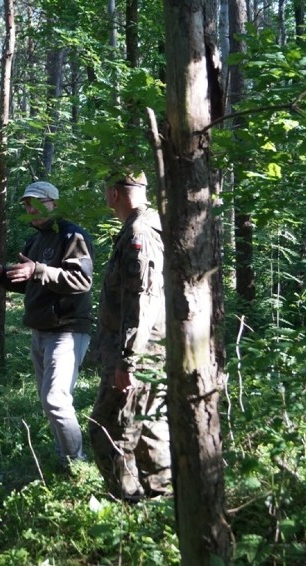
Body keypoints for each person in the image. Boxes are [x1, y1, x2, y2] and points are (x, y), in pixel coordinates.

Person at [0, 181, 94, 470]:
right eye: (28, 204)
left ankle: (78, 465)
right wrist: (2, 275)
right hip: (41, 329)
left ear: (55, 203)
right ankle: (65, 457)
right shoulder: (36, 240)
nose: (32, 208)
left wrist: (38, 269)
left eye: (38, 202)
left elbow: (81, 281)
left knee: (55, 399)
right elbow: (31, 284)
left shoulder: (72, 235)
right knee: (48, 401)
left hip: (67, 329)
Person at [88, 171, 171, 501]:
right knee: (148, 429)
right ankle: (161, 502)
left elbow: (143, 301)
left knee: (107, 430)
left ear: (113, 194)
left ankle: (129, 502)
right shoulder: (148, 225)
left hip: (139, 353)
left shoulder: (140, 232)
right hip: (146, 350)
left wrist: (128, 361)